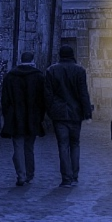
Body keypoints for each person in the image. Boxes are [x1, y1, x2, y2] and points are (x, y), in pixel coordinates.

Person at [44, 45, 93, 188]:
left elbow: (48, 94)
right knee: (75, 144)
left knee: (63, 145)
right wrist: (87, 113)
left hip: (59, 113)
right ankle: (74, 176)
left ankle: (66, 178)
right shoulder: (79, 70)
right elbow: (83, 93)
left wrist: (49, 110)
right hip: (75, 113)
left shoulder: (51, 70)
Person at [1, 50, 45, 187]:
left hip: (16, 117)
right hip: (32, 117)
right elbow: (43, 99)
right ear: (32, 60)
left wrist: (7, 115)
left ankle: (21, 175)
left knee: (18, 147)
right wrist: (41, 116)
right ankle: (29, 174)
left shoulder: (10, 76)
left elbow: (5, 100)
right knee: (29, 147)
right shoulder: (39, 76)